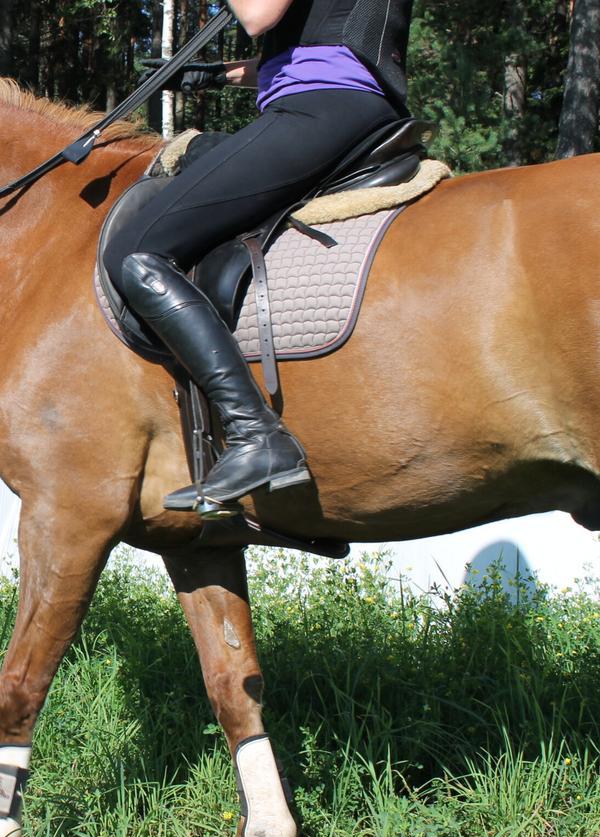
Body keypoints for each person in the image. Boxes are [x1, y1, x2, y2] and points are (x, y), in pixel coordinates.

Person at [102, 0, 413, 515]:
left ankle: (255, 434)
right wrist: (217, 76)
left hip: (322, 106)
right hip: (340, 102)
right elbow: (318, 43)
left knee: (137, 251)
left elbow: (259, 15)